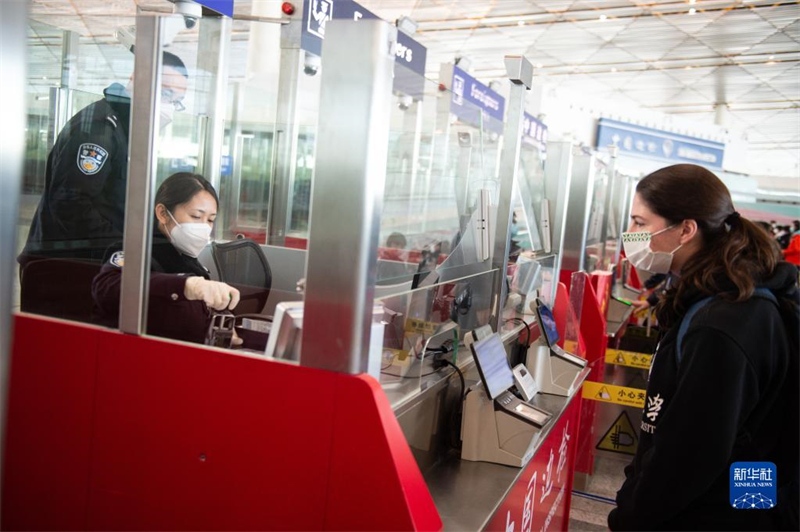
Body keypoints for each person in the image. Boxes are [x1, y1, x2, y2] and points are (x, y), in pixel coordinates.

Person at [609, 164, 799, 530]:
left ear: (686, 230)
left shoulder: (720, 325)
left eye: (639, 222)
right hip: (739, 504)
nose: (629, 234)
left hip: (710, 516)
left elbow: (689, 455)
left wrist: (630, 516)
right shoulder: (729, 297)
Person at [19, 51, 189, 268]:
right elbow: (70, 205)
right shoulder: (99, 129)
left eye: (176, 102)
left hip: (97, 262)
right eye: (165, 94)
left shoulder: (130, 131)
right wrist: (126, 249)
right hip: (64, 266)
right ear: (137, 79)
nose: (169, 108)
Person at [92, 172, 240, 345]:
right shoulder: (136, 249)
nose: (204, 227)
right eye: (196, 217)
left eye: (210, 220)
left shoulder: (185, 257)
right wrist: (186, 285)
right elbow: (107, 287)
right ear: (162, 213)